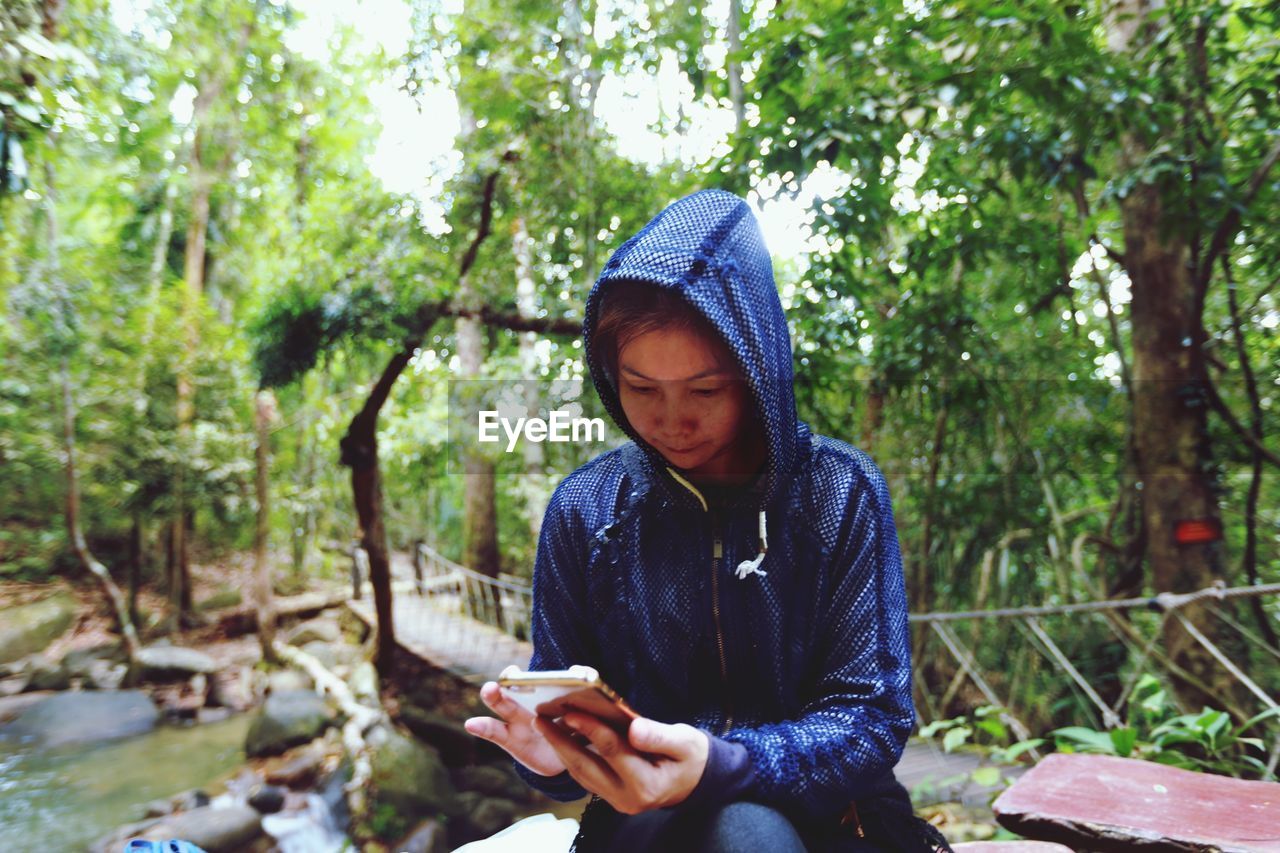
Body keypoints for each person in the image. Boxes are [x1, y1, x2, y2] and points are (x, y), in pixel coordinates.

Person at [464, 189, 947, 852]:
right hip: (642, 822)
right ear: (609, 375)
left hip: (830, 820)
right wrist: (548, 758)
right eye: (640, 387)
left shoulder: (839, 492)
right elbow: (565, 702)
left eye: (705, 389)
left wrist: (722, 764)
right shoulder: (586, 508)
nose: (670, 420)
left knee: (748, 827)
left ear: (755, 372)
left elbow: (871, 719)